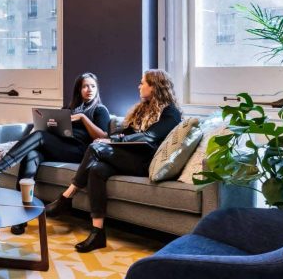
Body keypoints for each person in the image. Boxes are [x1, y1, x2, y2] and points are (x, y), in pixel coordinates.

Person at [45, 69, 181, 253]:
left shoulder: (170, 112)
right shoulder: (142, 109)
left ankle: (66, 197)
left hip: (144, 161)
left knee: (95, 147)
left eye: (143, 83)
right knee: (96, 170)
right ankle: (98, 233)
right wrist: (115, 136)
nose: (139, 86)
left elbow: (149, 137)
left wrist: (114, 141)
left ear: (155, 86)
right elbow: (128, 133)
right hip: (129, 156)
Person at [0, 72, 111, 235]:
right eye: (85, 86)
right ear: (79, 89)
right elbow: (57, 130)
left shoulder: (100, 110)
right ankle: (21, 216)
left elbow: (102, 136)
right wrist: (50, 124)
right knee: (31, 154)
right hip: (60, 147)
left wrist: (82, 118)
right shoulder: (68, 109)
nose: (89, 89)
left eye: (93, 86)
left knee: (39, 137)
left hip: (79, 151)